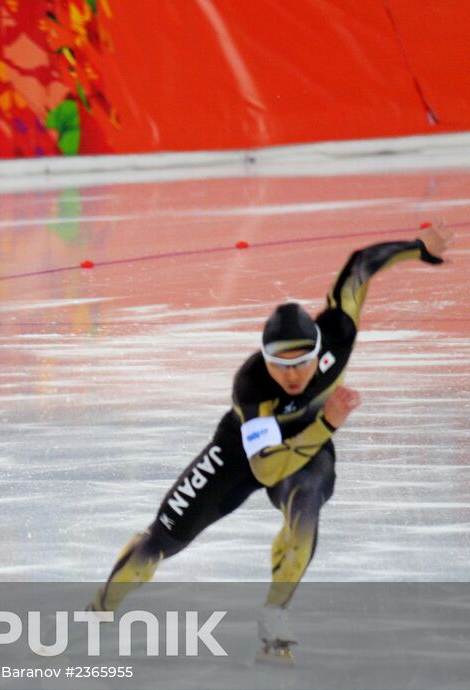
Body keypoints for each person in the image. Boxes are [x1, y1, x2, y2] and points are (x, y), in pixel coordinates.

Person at [90, 223, 454, 662]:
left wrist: (418, 249)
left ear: (317, 351)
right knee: (162, 539)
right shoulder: (252, 385)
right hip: (241, 454)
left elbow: (360, 266)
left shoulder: (337, 335)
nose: (292, 375)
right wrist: (328, 425)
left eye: (300, 362)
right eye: (279, 365)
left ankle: (275, 617)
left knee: (305, 512)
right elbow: (265, 468)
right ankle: (99, 613)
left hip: (305, 447)